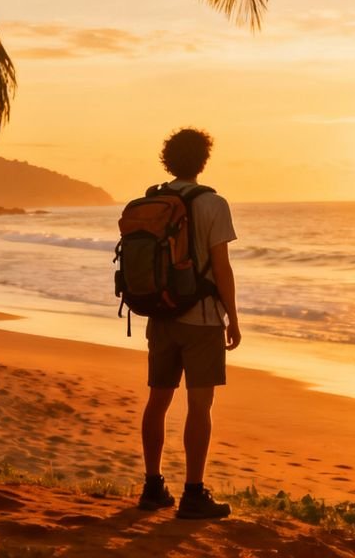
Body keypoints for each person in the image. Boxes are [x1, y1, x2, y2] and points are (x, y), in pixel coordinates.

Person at [138, 127, 242, 519]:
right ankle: (193, 494)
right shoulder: (214, 204)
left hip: (160, 315)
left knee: (157, 401)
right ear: (203, 161)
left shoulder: (154, 200)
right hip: (201, 320)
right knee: (200, 406)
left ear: (168, 160)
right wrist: (232, 316)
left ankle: (152, 487)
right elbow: (221, 267)